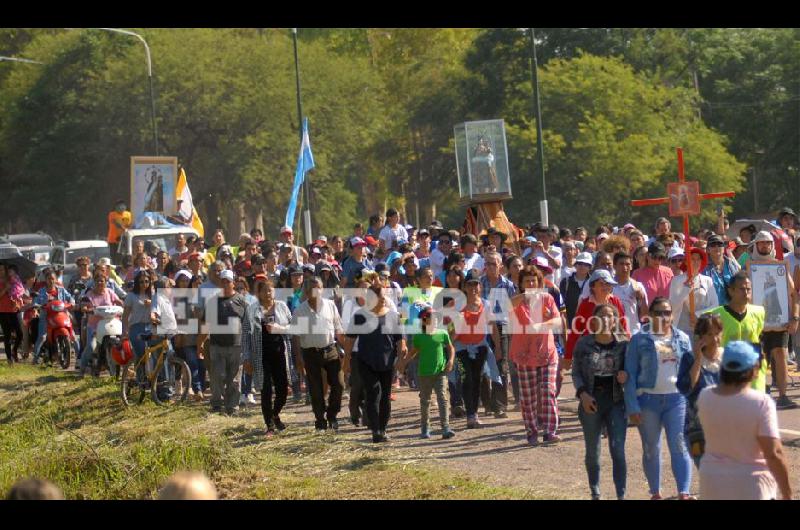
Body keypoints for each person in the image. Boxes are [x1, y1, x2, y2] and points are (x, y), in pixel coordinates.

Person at [697, 341, 792, 500]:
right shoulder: (761, 402)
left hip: (711, 483)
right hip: (751, 485)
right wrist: (787, 493)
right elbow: (774, 453)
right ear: (752, 369)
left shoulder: (705, 396)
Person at [624, 297, 694, 500]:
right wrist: (632, 405)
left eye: (667, 312)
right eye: (658, 312)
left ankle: (684, 492)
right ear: (650, 315)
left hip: (676, 400)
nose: (663, 317)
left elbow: (690, 371)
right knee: (651, 448)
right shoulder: (639, 339)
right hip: (648, 401)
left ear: (672, 315)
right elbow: (630, 373)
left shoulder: (682, 338)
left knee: (679, 446)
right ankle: (655, 492)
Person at [572, 304, 629, 500]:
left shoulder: (624, 344)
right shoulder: (584, 343)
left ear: (616, 320)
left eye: (610, 316)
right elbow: (576, 372)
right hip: (591, 399)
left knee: (618, 449)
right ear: (594, 320)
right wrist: (582, 395)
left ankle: (621, 494)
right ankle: (595, 491)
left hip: (616, 400)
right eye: (602, 316)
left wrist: (626, 375)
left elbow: (632, 370)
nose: (606, 319)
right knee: (592, 450)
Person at [346, 279, 405, 442]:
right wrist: (346, 362)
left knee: (385, 396)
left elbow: (400, 340)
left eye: (384, 296)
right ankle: (375, 430)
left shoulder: (393, 316)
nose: (384, 299)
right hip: (366, 361)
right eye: (381, 296)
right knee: (373, 394)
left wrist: (401, 359)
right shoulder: (359, 316)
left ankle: (383, 428)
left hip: (387, 362)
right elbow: (350, 341)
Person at [510, 267, 562, 445]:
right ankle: (531, 431)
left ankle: (549, 431)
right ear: (521, 284)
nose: (531, 284)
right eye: (527, 281)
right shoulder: (518, 302)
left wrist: (543, 325)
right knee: (528, 397)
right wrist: (525, 296)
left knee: (548, 391)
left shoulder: (547, 298)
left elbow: (558, 320)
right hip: (524, 354)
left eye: (534, 280)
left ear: (540, 283)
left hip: (546, 353)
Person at [747, 231, 800, 409]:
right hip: (757, 323)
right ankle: (761, 394)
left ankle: (783, 396)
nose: (764, 246)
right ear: (756, 245)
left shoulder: (781, 268)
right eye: (761, 243)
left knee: (781, 356)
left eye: (768, 243)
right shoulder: (749, 268)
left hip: (780, 321)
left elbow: (793, 295)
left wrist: (794, 317)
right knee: (760, 360)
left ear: (772, 245)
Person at [290, 276, 346, 431]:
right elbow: (296, 336)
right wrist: (299, 358)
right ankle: (320, 419)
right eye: (312, 289)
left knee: (339, 384)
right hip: (310, 353)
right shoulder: (300, 310)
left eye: (319, 288)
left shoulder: (330, 306)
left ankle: (332, 415)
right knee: (315, 389)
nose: (316, 291)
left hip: (331, 350)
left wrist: (346, 349)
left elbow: (338, 329)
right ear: (306, 292)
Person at [243, 278, 292, 436]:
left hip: (280, 353)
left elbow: (293, 326)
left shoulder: (282, 307)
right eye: (264, 290)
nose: (268, 292)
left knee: (283, 390)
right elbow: (246, 335)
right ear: (259, 293)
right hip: (261, 355)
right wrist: (247, 358)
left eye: (270, 289)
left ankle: (275, 413)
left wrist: (280, 328)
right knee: (265, 391)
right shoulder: (252, 309)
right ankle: (269, 425)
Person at [704, 271, 768, 392]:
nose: (746, 293)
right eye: (742, 289)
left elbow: (758, 334)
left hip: (753, 367)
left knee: (755, 405)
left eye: (748, 289)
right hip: (727, 368)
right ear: (731, 291)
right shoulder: (715, 315)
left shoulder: (759, 312)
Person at [197, 269, 249, 415]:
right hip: (216, 345)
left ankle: (232, 407)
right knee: (217, 376)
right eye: (223, 281)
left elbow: (248, 324)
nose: (225, 284)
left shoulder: (241, 300)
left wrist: (248, 345)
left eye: (228, 281)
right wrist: (200, 343)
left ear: (233, 282)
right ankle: (216, 405)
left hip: (236, 346)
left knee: (234, 379)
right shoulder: (212, 301)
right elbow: (205, 324)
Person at [399, 307, 456, 440]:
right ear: (424, 320)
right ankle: (425, 428)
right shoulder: (419, 337)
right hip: (424, 373)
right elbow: (413, 352)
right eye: (431, 318)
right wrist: (403, 363)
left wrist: (451, 361)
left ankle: (445, 427)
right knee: (425, 401)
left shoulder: (442, 333)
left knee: (442, 398)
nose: (435, 320)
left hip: (440, 372)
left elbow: (450, 348)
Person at [453, 270, 500, 429]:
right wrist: (448, 349)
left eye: (476, 284)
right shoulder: (457, 306)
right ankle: (470, 415)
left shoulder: (486, 305)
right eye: (470, 284)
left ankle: (473, 414)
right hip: (460, 349)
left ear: (480, 287)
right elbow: (450, 330)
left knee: (477, 380)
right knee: (466, 378)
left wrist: (498, 347)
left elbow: (493, 328)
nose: (473, 287)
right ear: (464, 287)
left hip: (480, 347)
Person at [676, 313, 723, 468]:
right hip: (697, 427)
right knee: (705, 469)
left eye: (717, 333)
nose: (715, 338)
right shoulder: (689, 358)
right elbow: (687, 387)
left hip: (724, 424)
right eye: (710, 334)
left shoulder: (727, 357)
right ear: (699, 336)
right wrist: (698, 359)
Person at [479, 251, 516, 417]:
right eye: (487, 263)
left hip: (502, 327)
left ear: (500, 266)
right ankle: (487, 403)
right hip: (483, 328)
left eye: (494, 264)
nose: (490, 267)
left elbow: (513, 310)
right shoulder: (479, 284)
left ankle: (500, 405)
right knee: (483, 366)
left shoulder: (507, 285)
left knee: (501, 365)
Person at [565, 269, 628, 363]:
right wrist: (568, 356)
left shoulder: (615, 301)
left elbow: (623, 327)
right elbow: (575, 331)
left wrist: (628, 349)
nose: (606, 287)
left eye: (608, 284)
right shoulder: (585, 304)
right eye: (602, 284)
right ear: (593, 286)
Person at [78, 267, 123, 376]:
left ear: (105, 282)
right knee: (91, 347)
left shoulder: (110, 292)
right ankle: (82, 368)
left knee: (122, 342)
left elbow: (118, 301)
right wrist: (85, 308)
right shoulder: (89, 294)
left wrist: (122, 303)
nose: (100, 283)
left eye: (102, 281)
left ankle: (119, 364)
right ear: (94, 282)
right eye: (97, 281)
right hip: (94, 326)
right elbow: (84, 305)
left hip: (111, 323)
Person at [669, 247, 718, 336]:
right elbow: (673, 306)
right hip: (682, 329)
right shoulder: (677, 280)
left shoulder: (707, 280)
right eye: (692, 259)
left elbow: (715, 305)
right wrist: (685, 289)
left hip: (703, 327)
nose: (695, 262)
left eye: (698, 259)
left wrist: (698, 315)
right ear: (686, 262)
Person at [32, 269, 76, 363]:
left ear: (56, 279)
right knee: (42, 337)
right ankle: (35, 357)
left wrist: (72, 302)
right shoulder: (41, 291)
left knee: (73, 336)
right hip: (46, 316)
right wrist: (37, 305)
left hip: (62, 314)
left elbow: (70, 298)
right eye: (49, 279)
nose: (51, 281)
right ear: (46, 280)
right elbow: (35, 301)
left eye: (53, 279)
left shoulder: (61, 290)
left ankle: (79, 358)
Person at [612, 252, 648, 335]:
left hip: (633, 332)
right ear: (614, 266)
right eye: (621, 264)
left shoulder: (638, 286)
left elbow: (645, 317)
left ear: (631, 266)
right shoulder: (609, 286)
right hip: (614, 333)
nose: (625, 267)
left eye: (628, 264)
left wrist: (642, 298)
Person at [703, 234, 741, 306]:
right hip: (712, 311)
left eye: (720, 244)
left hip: (732, 309)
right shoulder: (703, 267)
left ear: (724, 248)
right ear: (708, 249)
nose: (717, 247)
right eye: (713, 245)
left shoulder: (732, 264)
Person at [0, 263, 24, 363]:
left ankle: (14, 350)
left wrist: (18, 302)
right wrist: (5, 288)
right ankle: (9, 358)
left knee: (20, 334)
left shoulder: (12, 278)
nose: (1, 272)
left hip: (13, 310)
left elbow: (18, 292)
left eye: (2, 270)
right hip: (2, 311)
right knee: (7, 335)